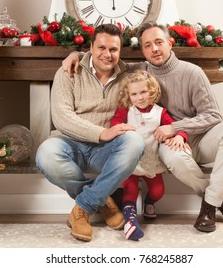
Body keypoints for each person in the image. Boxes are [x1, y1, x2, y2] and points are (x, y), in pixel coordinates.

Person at [61, 22, 223, 233]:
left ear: (170, 43)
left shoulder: (192, 73)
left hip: (198, 139)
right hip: (166, 143)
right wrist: (76, 54)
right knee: (176, 160)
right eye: (147, 45)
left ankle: (212, 201)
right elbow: (104, 57)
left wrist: (177, 128)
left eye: (159, 42)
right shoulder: (137, 70)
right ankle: (215, 203)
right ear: (142, 50)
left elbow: (213, 115)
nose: (154, 49)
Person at [35, 24, 145, 242]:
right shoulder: (68, 71)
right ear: (91, 47)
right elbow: (61, 117)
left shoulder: (130, 76)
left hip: (106, 151)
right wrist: (101, 132)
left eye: (113, 49)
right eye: (101, 48)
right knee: (46, 154)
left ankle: (83, 207)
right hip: (70, 144)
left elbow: (158, 66)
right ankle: (103, 202)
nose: (107, 54)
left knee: (135, 141)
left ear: (120, 50)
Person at [111, 70, 190, 241]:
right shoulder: (127, 110)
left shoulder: (159, 112)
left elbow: (175, 127)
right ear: (128, 95)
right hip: (131, 160)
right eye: (134, 94)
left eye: (143, 92)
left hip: (151, 161)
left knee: (158, 191)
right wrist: (121, 128)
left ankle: (149, 203)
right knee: (130, 190)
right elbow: (115, 122)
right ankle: (130, 222)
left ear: (152, 91)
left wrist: (179, 136)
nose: (139, 97)